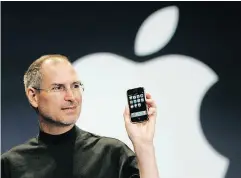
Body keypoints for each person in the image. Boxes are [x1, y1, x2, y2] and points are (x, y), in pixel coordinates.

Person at [1, 54, 159, 178]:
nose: (71, 96)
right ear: (33, 96)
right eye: (58, 88)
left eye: (75, 86)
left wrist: (143, 144)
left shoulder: (112, 154)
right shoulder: (10, 165)